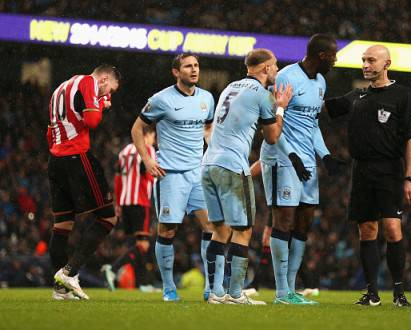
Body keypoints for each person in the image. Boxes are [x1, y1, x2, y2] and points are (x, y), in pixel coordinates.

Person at [324, 45, 411, 307]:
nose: (365, 64)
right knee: (367, 230)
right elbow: (324, 108)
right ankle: (372, 293)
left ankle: (399, 293)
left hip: (390, 169)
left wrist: (410, 177)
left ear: (386, 63)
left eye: (371, 60)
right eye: (363, 60)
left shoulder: (402, 95)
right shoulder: (357, 96)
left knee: (392, 228)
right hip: (362, 170)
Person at [202, 48, 292, 305]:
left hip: (208, 164)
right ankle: (236, 293)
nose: (276, 70)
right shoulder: (263, 95)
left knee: (220, 231)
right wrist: (281, 108)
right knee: (243, 230)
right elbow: (273, 137)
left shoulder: (230, 87)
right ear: (265, 68)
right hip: (232, 166)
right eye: (274, 66)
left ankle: (216, 293)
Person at [259, 34, 342, 304]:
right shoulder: (285, 77)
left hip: (306, 161)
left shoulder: (321, 82)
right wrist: (292, 154)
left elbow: (312, 124)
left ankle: (292, 289)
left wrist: (326, 155)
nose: (335, 60)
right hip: (283, 158)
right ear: (321, 55)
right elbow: (271, 122)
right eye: (333, 56)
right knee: (282, 222)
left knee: (303, 224)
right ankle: (282, 292)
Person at [131, 53, 214, 302]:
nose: (194, 70)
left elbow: (208, 127)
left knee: (212, 227)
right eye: (188, 66)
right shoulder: (161, 99)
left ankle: (211, 287)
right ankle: (168, 287)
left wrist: (212, 153)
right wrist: (147, 160)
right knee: (167, 231)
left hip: (198, 174)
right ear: (176, 72)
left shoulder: (207, 98)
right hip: (171, 176)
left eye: (196, 65)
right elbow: (137, 128)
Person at [47, 64, 121, 300]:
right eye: (109, 89)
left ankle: (60, 290)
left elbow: (50, 132)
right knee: (108, 216)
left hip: (55, 159)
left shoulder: (60, 88)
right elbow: (91, 120)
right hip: (76, 156)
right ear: (104, 79)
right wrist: (99, 103)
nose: (107, 95)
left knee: (62, 225)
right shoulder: (88, 82)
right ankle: (70, 272)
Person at [102, 126, 156, 291]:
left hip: (125, 202)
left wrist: (117, 204)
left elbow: (118, 180)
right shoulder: (148, 150)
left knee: (136, 243)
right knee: (143, 245)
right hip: (140, 201)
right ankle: (113, 268)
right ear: (146, 135)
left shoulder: (124, 152)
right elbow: (150, 176)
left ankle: (143, 284)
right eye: (153, 136)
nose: (154, 140)